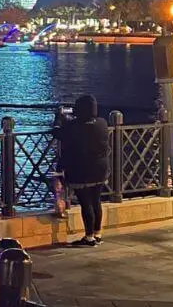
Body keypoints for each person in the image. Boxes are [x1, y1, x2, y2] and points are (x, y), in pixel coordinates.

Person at [54, 95, 109, 247]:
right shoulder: (102, 123)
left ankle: (89, 237)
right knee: (96, 200)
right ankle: (97, 234)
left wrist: (59, 118)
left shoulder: (75, 126)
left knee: (86, 203)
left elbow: (58, 133)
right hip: (101, 169)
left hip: (82, 170)